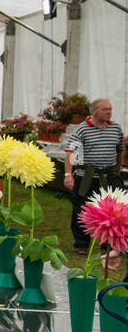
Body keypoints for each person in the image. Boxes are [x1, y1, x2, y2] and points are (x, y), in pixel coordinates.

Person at [64, 98, 124, 254]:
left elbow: (120, 150)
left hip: (109, 176)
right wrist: (68, 175)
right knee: (81, 210)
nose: (109, 112)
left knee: (113, 212)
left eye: (110, 109)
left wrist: (117, 170)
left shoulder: (116, 128)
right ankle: (82, 244)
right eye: (105, 109)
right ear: (94, 111)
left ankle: (109, 244)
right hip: (86, 178)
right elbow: (71, 152)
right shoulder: (82, 129)